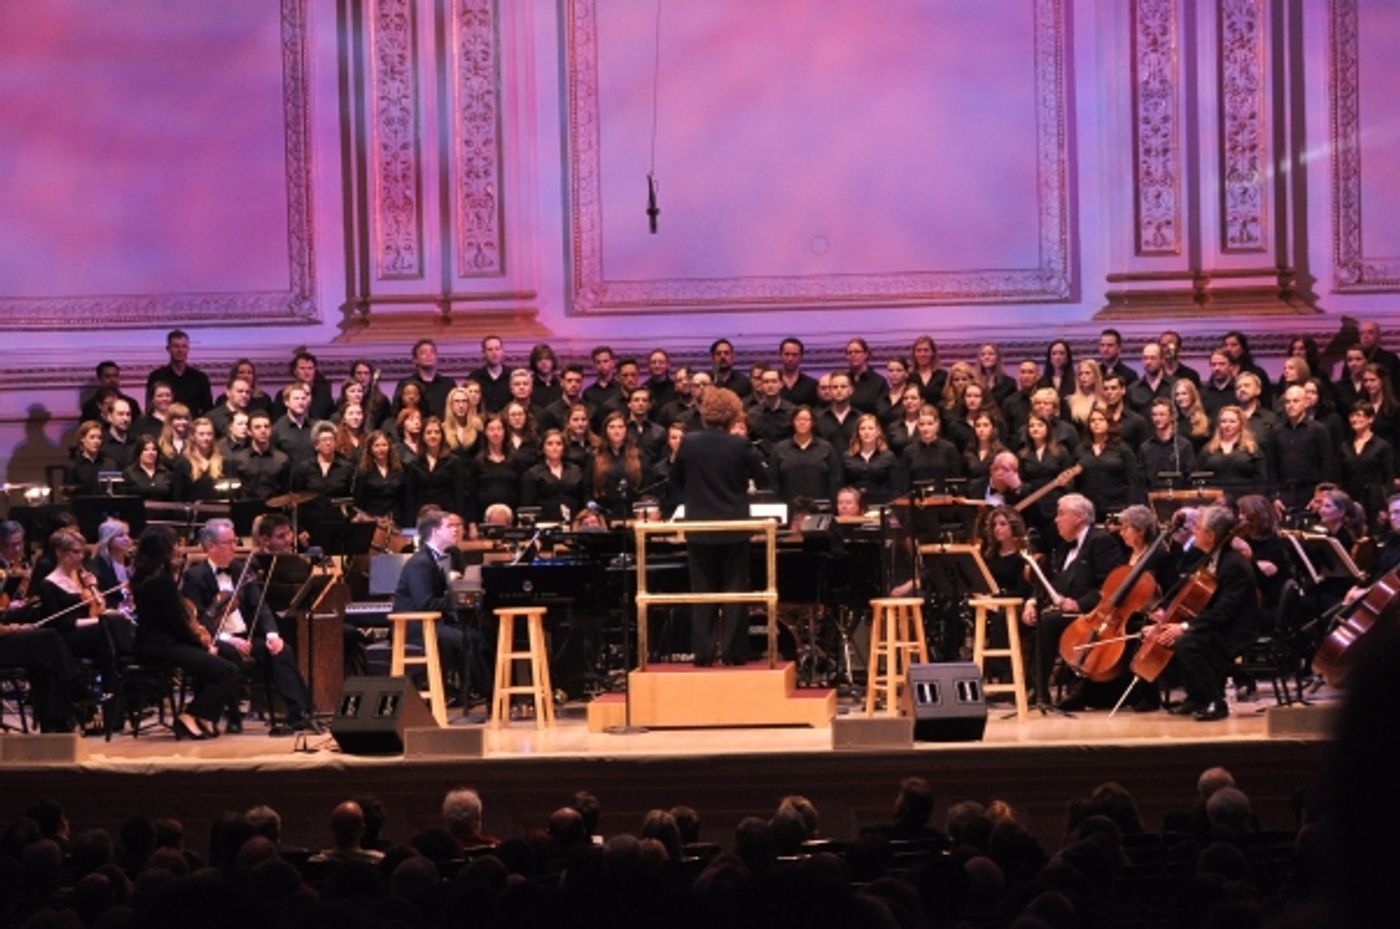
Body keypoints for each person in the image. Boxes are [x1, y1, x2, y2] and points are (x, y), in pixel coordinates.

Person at [182, 518, 319, 733]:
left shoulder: (242, 570)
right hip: (217, 640)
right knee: (229, 654)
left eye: (235, 541)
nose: (234, 547)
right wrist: (228, 639)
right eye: (229, 542)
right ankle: (234, 716)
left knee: (282, 651)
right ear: (211, 547)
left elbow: (260, 607)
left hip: (246, 637)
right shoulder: (194, 576)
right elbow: (197, 619)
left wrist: (273, 635)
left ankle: (299, 713)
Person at [670, 388, 770, 666]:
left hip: (700, 527)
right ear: (732, 415)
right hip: (734, 528)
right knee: (735, 591)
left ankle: (702, 653)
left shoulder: (688, 443)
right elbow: (764, 478)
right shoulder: (740, 445)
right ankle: (733, 652)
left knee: (702, 592)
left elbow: (674, 481)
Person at [1141, 504, 1260, 720]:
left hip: (1234, 630)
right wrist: (1165, 618)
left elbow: (1225, 611)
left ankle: (1216, 700)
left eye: (1197, 527)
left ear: (1211, 535)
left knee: (1186, 642)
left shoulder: (1234, 565)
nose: (1193, 531)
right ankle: (1196, 697)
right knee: (1169, 636)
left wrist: (1184, 627)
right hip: (1215, 625)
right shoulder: (1208, 557)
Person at [129, 526, 240, 739]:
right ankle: (191, 715)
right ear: (165, 549)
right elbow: (177, 625)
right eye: (175, 544)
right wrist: (203, 645)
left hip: (158, 644)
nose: (178, 549)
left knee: (224, 659)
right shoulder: (162, 581)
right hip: (160, 647)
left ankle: (205, 717)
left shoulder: (148, 577)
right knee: (228, 671)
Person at [1022, 494, 1125, 707]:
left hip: (1092, 614)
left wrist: (1079, 604)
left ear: (1079, 517)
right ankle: (1026, 685)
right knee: (1022, 618)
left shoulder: (1101, 541)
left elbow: (1109, 585)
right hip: (1065, 610)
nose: (1056, 520)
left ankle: (1039, 690)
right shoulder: (1063, 547)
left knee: (1048, 622)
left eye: (1061, 514)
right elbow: (1050, 583)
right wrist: (1032, 602)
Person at [390, 510, 467, 696]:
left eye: (457, 526)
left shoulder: (441, 557)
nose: (456, 530)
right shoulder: (421, 563)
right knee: (465, 639)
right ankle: (479, 692)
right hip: (414, 627)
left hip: (430, 622)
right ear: (434, 532)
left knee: (473, 634)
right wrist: (458, 599)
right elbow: (425, 603)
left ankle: (470, 691)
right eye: (449, 526)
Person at [520, 429, 585, 523]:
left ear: (564, 448)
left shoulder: (575, 470)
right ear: (543, 448)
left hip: (574, 524)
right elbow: (527, 507)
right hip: (544, 525)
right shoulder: (532, 474)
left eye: (559, 444)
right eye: (550, 444)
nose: (554, 447)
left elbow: (582, 499)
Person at [145, 329, 213, 417]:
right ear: (168, 349)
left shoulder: (200, 378)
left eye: (184, 346)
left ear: (188, 349)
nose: (180, 350)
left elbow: (208, 410)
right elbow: (150, 408)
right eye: (176, 346)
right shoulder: (156, 376)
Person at [842, 414, 899, 506]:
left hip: (882, 505)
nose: (866, 432)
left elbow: (896, 487)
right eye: (862, 429)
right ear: (858, 432)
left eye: (870, 428)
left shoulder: (888, 456)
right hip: (855, 506)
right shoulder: (847, 456)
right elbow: (842, 485)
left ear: (877, 432)